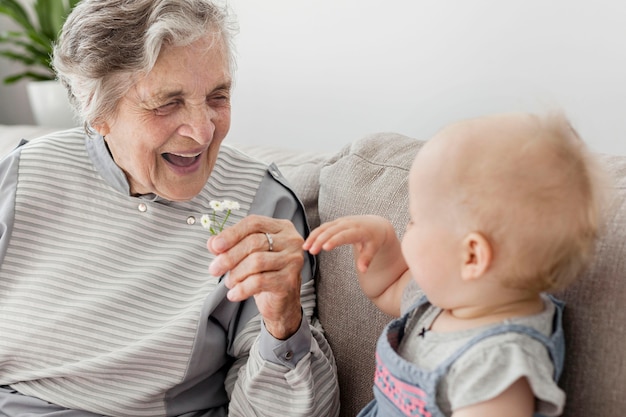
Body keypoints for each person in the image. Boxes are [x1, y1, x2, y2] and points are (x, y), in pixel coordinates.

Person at [0, 1, 339, 416]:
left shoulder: (262, 206)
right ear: (97, 110)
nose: (202, 131)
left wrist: (283, 324)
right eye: (167, 103)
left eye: (218, 96)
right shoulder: (24, 175)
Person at [304, 112, 609, 416]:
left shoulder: (497, 364)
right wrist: (382, 244)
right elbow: (387, 289)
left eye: (414, 220)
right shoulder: (444, 299)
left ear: (472, 257)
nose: (405, 228)